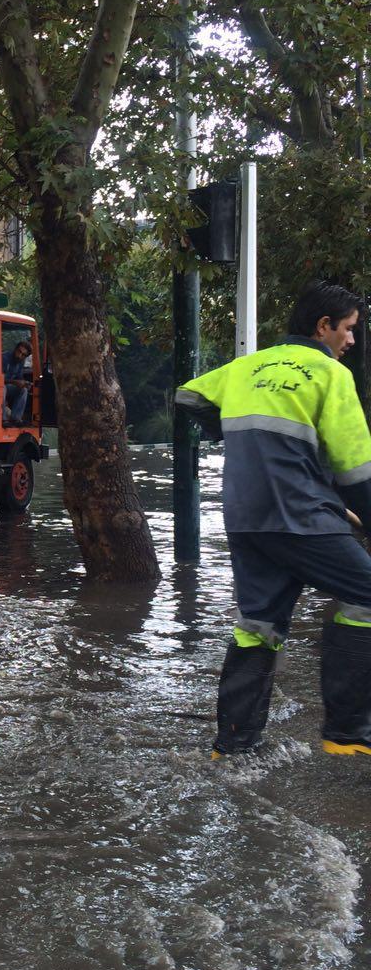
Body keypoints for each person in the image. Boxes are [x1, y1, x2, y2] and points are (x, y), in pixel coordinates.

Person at [176, 279, 371, 759]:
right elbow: (356, 469)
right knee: (366, 596)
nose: (351, 341)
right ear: (323, 326)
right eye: (348, 330)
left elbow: (187, 396)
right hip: (302, 516)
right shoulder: (329, 373)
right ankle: (346, 733)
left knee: (257, 625)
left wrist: (241, 440)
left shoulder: (245, 367)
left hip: (245, 518)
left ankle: (234, 745)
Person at [2, 339, 32, 425]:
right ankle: (3, 419)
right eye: (19, 352)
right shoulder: (4, 358)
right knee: (2, 388)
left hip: (9, 387)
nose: (19, 355)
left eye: (23, 355)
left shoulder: (20, 363)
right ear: (15, 349)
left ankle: (16, 418)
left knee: (23, 390)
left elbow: (19, 378)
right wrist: (15, 382)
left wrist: (25, 383)